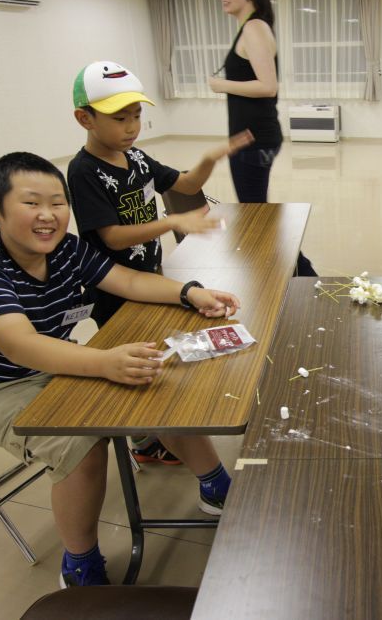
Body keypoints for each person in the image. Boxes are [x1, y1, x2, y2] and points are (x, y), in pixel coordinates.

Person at [0, 152, 241, 587]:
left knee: (156, 382)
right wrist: (103, 362)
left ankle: (215, 485)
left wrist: (190, 292)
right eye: (31, 204)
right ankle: (80, 563)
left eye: (57, 203)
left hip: (55, 360)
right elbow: (22, 347)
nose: (48, 216)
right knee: (82, 442)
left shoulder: (66, 249)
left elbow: (128, 281)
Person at [68, 60, 251, 463]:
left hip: (149, 274)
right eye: (119, 118)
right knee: (134, 362)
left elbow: (185, 184)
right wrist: (171, 220)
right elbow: (111, 236)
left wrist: (208, 159)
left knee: (156, 350)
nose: (131, 127)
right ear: (85, 119)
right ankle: (143, 438)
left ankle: (149, 440)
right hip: (113, 287)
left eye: (136, 115)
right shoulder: (84, 171)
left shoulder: (136, 157)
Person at [208, 0, 317, 276]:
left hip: (254, 140)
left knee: (257, 217)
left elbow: (268, 86)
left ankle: (304, 277)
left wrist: (222, 85)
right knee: (258, 214)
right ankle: (296, 277)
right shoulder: (253, 27)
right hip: (250, 139)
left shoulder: (254, 28)